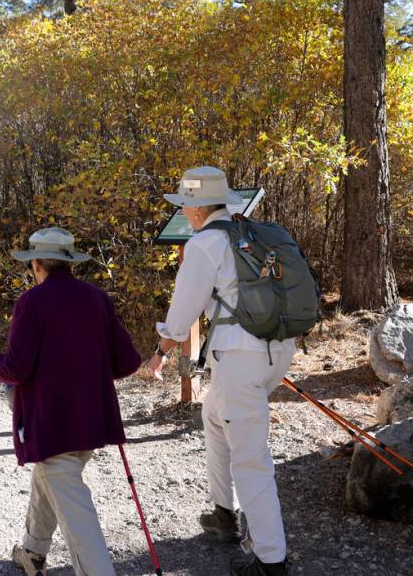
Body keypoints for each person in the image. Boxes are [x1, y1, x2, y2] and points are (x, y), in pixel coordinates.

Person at [144, 166, 295, 576]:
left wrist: (160, 350)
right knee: (215, 417)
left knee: (250, 457)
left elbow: (181, 315)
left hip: (241, 357)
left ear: (194, 208)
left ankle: (270, 561)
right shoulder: (253, 233)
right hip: (277, 348)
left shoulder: (205, 243)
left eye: (186, 205)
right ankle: (224, 514)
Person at [0, 227, 141, 576]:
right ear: (70, 263)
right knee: (50, 476)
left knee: (75, 511)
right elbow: (128, 362)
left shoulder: (32, 302)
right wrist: (86, 373)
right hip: (92, 418)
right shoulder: (96, 297)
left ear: (35, 264)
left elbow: (16, 369)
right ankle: (33, 551)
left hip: (51, 423)